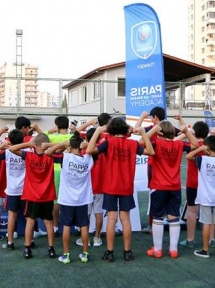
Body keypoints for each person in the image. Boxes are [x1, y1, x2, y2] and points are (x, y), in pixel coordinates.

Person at [86, 117, 154, 262]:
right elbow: (151, 152)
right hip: (126, 186)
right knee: (125, 219)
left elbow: (90, 150)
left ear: (110, 130)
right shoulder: (132, 143)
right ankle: (127, 252)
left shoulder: (108, 142)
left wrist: (98, 131)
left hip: (111, 186)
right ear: (125, 129)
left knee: (112, 218)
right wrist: (142, 133)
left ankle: (110, 252)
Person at [144, 120, 195, 259]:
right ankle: (173, 250)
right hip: (175, 186)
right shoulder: (179, 144)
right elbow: (195, 145)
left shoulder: (156, 143)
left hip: (158, 185)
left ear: (159, 133)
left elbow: (143, 142)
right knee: (174, 217)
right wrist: (185, 132)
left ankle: (158, 250)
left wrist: (154, 129)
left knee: (158, 217)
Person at [180, 122, 215, 248]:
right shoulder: (211, 146)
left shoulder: (193, 145)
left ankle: (190, 239)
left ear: (194, 133)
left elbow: (178, 142)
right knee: (211, 213)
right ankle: (211, 239)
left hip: (193, 183)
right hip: (207, 185)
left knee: (192, 211)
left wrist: (186, 132)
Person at [48, 132, 94, 264]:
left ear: (70, 147)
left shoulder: (65, 157)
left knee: (67, 226)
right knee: (84, 225)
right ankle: (85, 254)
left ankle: (66, 255)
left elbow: (47, 153)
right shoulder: (88, 158)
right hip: (83, 199)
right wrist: (85, 146)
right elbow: (94, 147)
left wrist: (61, 144)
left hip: (67, 199)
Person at [8, 133, 57, 259]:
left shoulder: (29, 155)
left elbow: (11, 149)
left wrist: (28, 144)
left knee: (30, 222)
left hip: (32, 196)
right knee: (49, 223)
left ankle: (27, 249)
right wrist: (48, 145)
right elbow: (65, 147)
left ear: (35, 145)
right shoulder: (50, 156)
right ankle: (51, 249)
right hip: (46, 195)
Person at [76, 112, 111, 248]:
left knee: (87, 214)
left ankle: (84, 238)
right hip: (100, 187)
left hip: (87, 188)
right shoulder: (103, 148)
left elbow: (76, 133)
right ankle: (96, 238)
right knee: (98, 213)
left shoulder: (84, 152)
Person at [0, 128, 27, 250]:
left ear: (9, 140)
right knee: (28, 217)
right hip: (25, 189)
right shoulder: (28, 151)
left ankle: (10, 242)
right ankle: (30, 241)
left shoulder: (7, 152)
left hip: (13, 190)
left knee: (12, 216)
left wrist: (2, 146)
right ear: (23, 139)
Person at [45, 115, 73, 237]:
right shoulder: (72, 137)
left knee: (56, 200)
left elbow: (40, 140)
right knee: (71, 198)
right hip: (69, 170)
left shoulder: (51, 137)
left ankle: (56, 227)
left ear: (57, 125)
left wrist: (49, 131)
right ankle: (74, 225)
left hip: (56, 170)